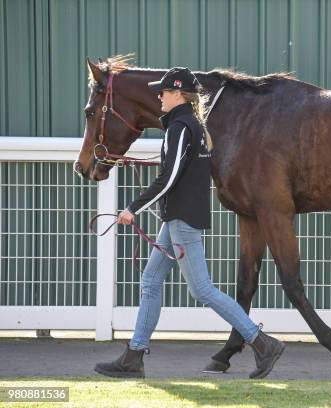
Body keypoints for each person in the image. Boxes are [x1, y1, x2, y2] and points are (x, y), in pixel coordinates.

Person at [94, 67, 284, 379]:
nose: (159, 96)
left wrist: (133, 207)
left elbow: (168, 178)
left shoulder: (180, 127)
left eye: (164, 91)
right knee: (151, 281)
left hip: (182, 219)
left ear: (179, 94)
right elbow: (178, 172)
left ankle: (261, 343)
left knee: (202, 290)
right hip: (177, 218)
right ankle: (134, 355)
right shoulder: (190, 125)